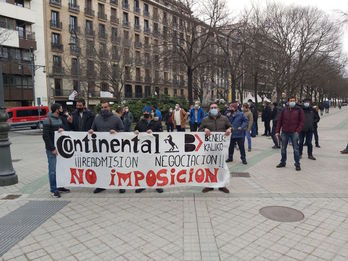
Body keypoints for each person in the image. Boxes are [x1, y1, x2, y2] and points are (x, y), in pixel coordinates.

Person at [89, 101, 124, 194]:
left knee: (116, 167)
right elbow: (93, 129)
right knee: (102, 167)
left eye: (105, 107)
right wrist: (91, 131)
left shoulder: (116, 118)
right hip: (101, 149)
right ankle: (101, 185)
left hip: (114, 149)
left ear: (109, 107)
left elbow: (123, 130)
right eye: (102, 107)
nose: (104, 109)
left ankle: (120, 185)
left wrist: (116, 133)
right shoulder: (97, 119)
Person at [198, 102, 232, 193]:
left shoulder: (224, 119)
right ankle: (210, 185)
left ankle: (222, 185)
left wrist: (229, 129)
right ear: (209, 110)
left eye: (215, 107)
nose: (213, 109)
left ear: (218, 109)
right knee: (210, 166)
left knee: (221, 166)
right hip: (210, 148)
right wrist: (204, 130)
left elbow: (231, 127)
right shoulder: (205, 120)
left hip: (221, 147)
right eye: (212, 107)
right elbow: (199, 130)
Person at [42, 103, 70, 198]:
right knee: (53, 170)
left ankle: (60, 186)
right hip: (52, 149)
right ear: (57, 109)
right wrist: (52, 148)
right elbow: (45, 136)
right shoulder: (47, 120)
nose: (62, 109)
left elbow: (64, 129)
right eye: (61, 108)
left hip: (60, 148)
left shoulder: (59, 119)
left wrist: (62, 129)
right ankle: (53, 190)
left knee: (60, 168)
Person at [134, 109, 163, 193]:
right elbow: (135, 131)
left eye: (148, 112)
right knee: (143, 167)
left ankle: (158, 185)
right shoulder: (140, 123)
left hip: (154, 149)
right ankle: (142, 185)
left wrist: (153, 132)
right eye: (145, 112)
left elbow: (161, 133)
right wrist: (135, 132)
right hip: (143, 149)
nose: (146, 114)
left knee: (155, 167)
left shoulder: (156, 122)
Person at [275, 97, 304, 171]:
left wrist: (297, 131)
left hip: (294, 132)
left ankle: (297, 164)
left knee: (296, 149)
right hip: (284, 132)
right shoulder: (284, 110)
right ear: (288, 102)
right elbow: (279, 121)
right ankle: (283, 162)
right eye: (291, 101)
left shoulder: (299, 110)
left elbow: (302, 121)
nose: (292, 102)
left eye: (294, 101)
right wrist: (277, 131)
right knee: (283, 149)